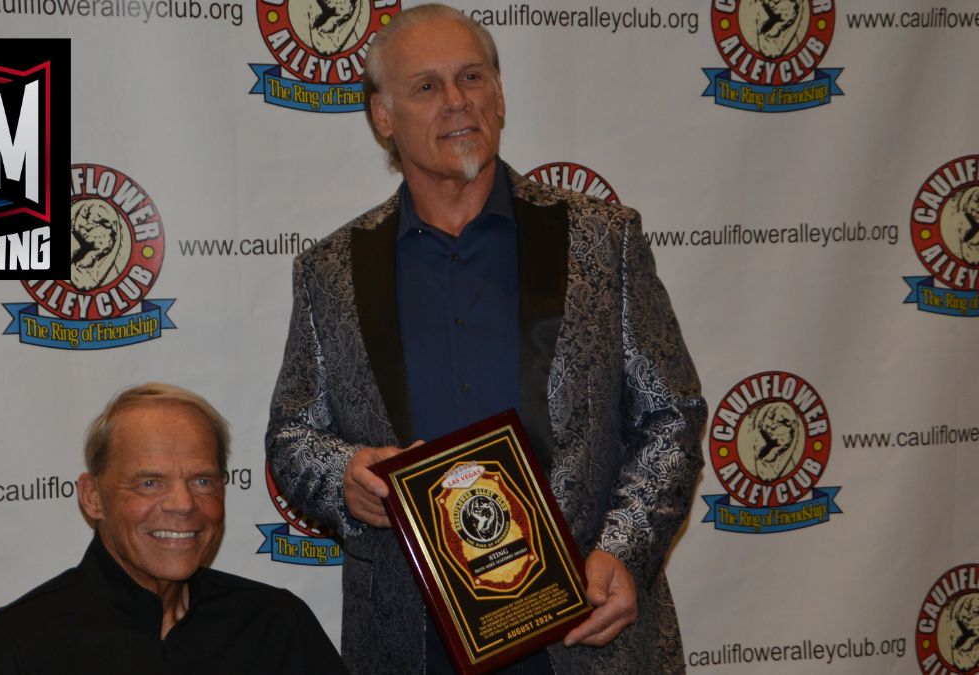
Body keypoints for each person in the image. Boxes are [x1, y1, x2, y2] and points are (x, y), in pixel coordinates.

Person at [266, 4, 707, 673]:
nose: (456, 102)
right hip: (414, 644)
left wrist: (624, 547)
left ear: (499, 97)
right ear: (383, 117)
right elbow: (293, 435)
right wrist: (342, 477)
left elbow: (670, 414)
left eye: (472, 78)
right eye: (426, 86)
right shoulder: (331, 272)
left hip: (583, 637)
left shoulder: (600, 239)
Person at [0, 383, 346, 674]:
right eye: (149, 483)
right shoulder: (15, 646)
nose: (182, 504)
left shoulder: (275, 625)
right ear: (92, 497)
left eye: (202, 481)